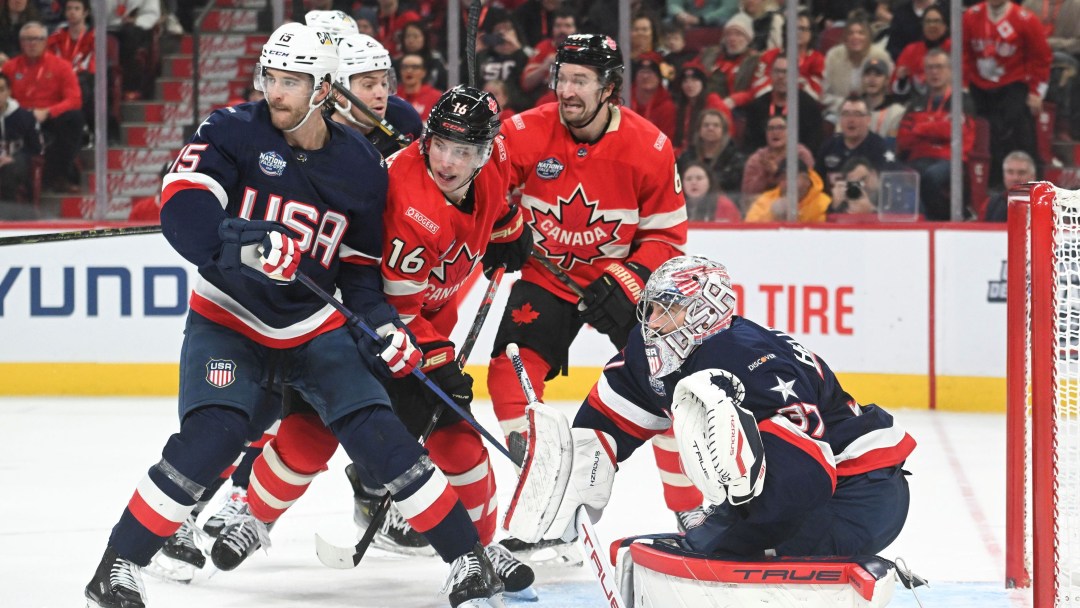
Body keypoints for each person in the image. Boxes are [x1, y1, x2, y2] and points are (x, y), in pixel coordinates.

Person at [83, 23, 504, 608]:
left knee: (381, 435)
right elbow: (183, 210)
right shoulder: (232, 130)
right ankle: (116, 567)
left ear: (324, 89)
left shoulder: (360, 166)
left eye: (292, 81)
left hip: (312, 328)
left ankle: (469, 563)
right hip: (229, 319)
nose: (275, 91)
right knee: (216, 435)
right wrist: (244, 241)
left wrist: (386, 328)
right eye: (271, 78)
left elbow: (358, 273)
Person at [231, 85, 539, 599]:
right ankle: (254, 517)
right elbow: (394, 309)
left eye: (464, 151)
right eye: (439, 144)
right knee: (310, 435)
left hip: (420, 328)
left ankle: (479, 550)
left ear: (486, 152)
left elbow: (497, 202)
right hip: (355, 326)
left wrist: (507, 228)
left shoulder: (499, 156)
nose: (447, 160)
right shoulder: (409, 203)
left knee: (458, 443)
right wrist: (439, 358)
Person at [511, 254, 915, 561]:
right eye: (649, 307)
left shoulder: (746, 358)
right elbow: (610, 414)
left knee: (710, 547)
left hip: (861, 492)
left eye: (664, 307)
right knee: (702, 544)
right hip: (812, 488)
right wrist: (581, 471)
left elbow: (808, 478)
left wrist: (742, 521)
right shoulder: (650, 348)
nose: (649, 320)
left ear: (704, 309)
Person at [486, 33, 699, 554]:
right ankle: (548, 495)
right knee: (508, 376)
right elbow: (482, 186)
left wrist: (630, 278)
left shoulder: (648, 147)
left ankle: (693, 511)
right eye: (562, 77)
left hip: (620, 282)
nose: (567, 89)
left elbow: (667, 237)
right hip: (547, 278)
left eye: (581, 79)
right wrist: (504, 224)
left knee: (668, 388)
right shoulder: (525, 132)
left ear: (609, 88)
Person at [962, 0, 1052, 188]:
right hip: (978, 87)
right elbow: (963, 55)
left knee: (1019, 129)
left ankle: (1035, 187)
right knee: (985, 135)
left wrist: (1037, 92)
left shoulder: (1025, 19)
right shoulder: (971, 16)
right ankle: (992, 187)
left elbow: (1041, 57)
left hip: (1013, 84)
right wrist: (962, 87)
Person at [2, 21, 83, 194]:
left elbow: (74, 99)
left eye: (37, 39)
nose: (32, 43)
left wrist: (48, 112)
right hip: (19, 117)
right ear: (21, 42)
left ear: (45, 41)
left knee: (74, 118)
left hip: (48, 116)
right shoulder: (10, 67)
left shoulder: (61, 66)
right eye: (27, 39)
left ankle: (56, 176)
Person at [896, 47, 975, 220]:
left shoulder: (962, 100)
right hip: (919, 158)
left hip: (950, 160)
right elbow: (903, 138)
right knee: (901, 175)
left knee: (930, 176)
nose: (934, 72)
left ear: (950, 71)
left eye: (939, 67)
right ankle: (919, 224)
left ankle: (941, 220)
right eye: (930, 68)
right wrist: (937, 127)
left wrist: (921, 128)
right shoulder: (917, 102)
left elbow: (955, 131)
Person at [741, 54, 825, 154]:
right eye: (777, 71)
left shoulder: (809, 107)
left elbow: (814, 147)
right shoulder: (757, 106)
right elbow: (749, 146)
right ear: (770, 74)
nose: (781, 76)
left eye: (786, 72)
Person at [822, 9, 892, 119]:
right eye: (851, 33)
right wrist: (845, 105)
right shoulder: (833, 56)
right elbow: (823, 94)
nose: (855, 37)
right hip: (839, 112)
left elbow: (889, 90)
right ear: (845, 37)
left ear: (868, 37)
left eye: (861, 33)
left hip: (874, 112)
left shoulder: (881, 56)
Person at [816, 94, 890, 190]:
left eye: (857, 114)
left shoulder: (880, 148)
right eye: (846, 114)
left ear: (868, 119)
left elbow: (890, 184)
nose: (851, 120)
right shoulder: (829, 146)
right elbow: (817, 183)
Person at [740, 113, 815, 206]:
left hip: (797, 208)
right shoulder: (757, 159)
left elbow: (808, 188)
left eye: (781, 128)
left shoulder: (801, 154)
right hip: (762, 210)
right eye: (771, 128)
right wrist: (764, 175)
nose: (775, 132)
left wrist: (776, 172)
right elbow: (747, 194)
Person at [677, 108, 745, 208]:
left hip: (724, 206)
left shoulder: (735, 158)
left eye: (716, 125)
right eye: (706, 125)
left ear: (724, 131)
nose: (710, 128)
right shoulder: (687, 157)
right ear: (699, 130)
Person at [744, 157, 831, 222]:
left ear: (807, 181)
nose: (787, 183)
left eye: (792, 178)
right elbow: (750, 227)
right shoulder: (765, 200)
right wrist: (773, 215)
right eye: (783, 178)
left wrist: (797, 217)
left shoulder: (824, 203)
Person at [891, 4, 950, 101]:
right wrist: (902, 80)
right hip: (917, 103)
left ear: (945, 25)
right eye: (928, 21)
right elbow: (895, 88)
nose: (932, 25)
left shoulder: (955, 48)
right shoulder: (911, 50)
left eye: (936, 21)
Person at [0, 72, 41, 203]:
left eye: (1, 90)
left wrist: (13, 157)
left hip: (16, 163)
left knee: (11, 169)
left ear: (9, 92)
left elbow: (36, 148)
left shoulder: (25, 117)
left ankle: (7, 215)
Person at [984, 150, 1038, 221]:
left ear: (1033, 177)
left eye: (1021, 173)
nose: (1015, 178)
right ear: (1004, 176)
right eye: (1010, 172)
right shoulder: (991, 204)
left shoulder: (1047, 205)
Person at [397, 51, 444, 120]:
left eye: (415, 67)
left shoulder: (436, 97)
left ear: (424, 72)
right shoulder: (392, 96)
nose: (409, 70)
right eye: (405, 67)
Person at [667, 0, 739, 28]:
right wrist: (681, 14)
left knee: (726, 22)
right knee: (668, 22)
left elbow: (729, 8)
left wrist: (701, 20)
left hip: (714, 20)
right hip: (688, 19)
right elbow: (673, 4)